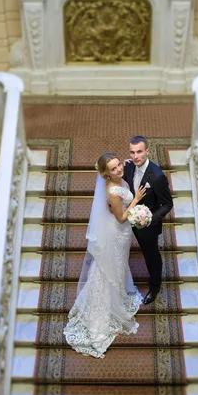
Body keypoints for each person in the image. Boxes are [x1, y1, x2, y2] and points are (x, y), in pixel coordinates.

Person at [64, 153, 146, 358]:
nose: (119, 170)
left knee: (117, 266)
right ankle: (102, 310)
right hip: (117, 232)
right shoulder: (113, 191)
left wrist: (127, 165)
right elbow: (120, 218)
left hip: (123, 235)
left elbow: (122, 173)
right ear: (106, 175)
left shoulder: (118, 179)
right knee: (109, 268)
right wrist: (136, 200)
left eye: (119, 165)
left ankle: (116, 291)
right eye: (114, 169)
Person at [123, 136, 173, 305]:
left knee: (151, 256)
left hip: (148, 225)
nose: (136, 156)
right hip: (127, 218)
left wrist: (150, 219)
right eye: (132, 152)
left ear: (147, 151)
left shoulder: (158, 176)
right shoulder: (129, 166)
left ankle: (154, 287)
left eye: (139, 152)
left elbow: (167, 204)